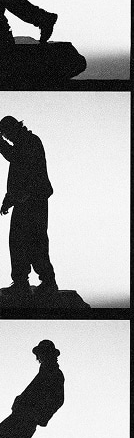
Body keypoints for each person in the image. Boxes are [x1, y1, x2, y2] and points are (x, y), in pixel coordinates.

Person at [0, 115, 57, 300]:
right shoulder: (24, 143)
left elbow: (18, 162)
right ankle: (22, 283)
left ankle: (45, 282)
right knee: (20, 242)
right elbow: (18, 176)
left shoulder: (30, 142)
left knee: (34, 242)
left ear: (15, 128)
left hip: (34, 202)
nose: (6, 137)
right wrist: (8, 200)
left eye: (6, 133)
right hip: (25, 201)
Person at [0, 339, 64, 438]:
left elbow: (58, 400)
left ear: (47, 355)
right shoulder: (47, 371)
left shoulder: (52, 373)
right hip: (23, 420)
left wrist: (38, 416)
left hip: (22, 421)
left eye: (41, 354)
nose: (39, 357)